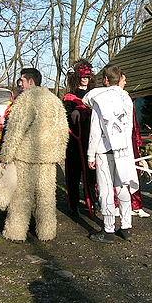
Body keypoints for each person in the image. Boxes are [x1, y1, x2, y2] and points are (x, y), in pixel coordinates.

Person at [0, 68, 69, 241]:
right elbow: (63, 132)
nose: (19, 84)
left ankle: (15, 232)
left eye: (21, 80)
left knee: (22, 196)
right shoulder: (55, 101)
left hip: (26, 157)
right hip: (48, 159)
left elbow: (15, 130)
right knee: (46, 198)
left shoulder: (26, 99)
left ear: (30, 81)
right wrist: (58, 154)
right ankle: (46, 232)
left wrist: (6, 156)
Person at [83, 64, 139, 243]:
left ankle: (108, 229)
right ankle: (126, 226)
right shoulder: (126, 99)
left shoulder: (101, 99)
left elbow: (95, 131)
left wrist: (90, 155)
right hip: (123, 149)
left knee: (106, 189)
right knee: (123, 186)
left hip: (105, 150)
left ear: (105, 80)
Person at [63, 59, 97, 217]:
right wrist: (74, 112)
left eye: (87, 76)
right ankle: (73, 203)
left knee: (92, 173)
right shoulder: (69, 96)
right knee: (74, 173)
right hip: (75, 140)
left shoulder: (96, 94)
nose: (84, 79)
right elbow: (66, 117)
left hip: (92, 139)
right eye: (82, 76)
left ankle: (92, 201)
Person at [118, 72, 150, 218]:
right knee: (118, 174)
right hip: (117, 141)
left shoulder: (127, 98)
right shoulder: (110, 98)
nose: (126, 82)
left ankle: (136, 204)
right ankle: (118, 204)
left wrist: (137, 141)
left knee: (133, 173)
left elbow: (134, 122)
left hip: (129, 140)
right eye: (124, 80)